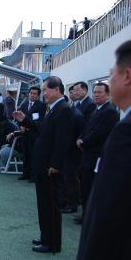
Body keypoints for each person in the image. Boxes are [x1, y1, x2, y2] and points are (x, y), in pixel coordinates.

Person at [77, 40, 131, 260]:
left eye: (111, 74)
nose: (110, 80)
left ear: (126, 76)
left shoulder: (126, 132)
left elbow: (108, 213)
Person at [13, 76, 74, 253]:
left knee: (50, 205)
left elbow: (63, 141)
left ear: (56, 90)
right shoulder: (54, 108)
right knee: (44, 204)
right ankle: (46, 236)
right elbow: (43, 131)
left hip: (50, 168)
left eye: (45, 90)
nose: (43, 94)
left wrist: (55, 164)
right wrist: (24, 120)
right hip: (44, 165)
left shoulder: (63, 109)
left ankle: (52, 243)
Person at [74, 83, 119, 224]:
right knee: (86, 186)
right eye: (95, 92)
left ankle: (91, 216)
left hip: (96, 155)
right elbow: (87, 128)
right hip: (88, 154)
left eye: (100, 92)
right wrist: (80, 138)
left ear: (108, 94)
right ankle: (86, 214)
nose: (96, 95)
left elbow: (99, 133)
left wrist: (83, 142)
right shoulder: (97, 110)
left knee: (92, 187)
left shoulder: (110, 111)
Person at [60, 85, 84, 214]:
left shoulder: (75, 114)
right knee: (66, 179)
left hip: (72, 153)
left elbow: (75, 134)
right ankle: (67, 202)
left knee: (71, 179)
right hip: (67, 152)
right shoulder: (71, 112)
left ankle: (72, 204)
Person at [17, 86, 46, 181]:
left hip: (34, 134)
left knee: (33, 155)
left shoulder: (41, 105)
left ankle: (33, 176)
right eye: (31, 93)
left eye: (35, 94)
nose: (32, 95)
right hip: (24, 134)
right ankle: (25, 173)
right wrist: (21, 126)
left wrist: (28, 126)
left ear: (38, 95)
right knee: (25, 154)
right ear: (28, 94)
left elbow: (40, 120)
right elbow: (18, 117)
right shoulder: (24, 104)